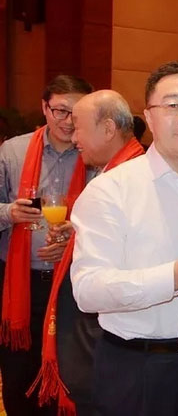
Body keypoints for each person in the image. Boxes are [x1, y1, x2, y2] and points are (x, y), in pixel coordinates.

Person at [70, 61, 178, 415]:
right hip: (133, 368)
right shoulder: (110, 191)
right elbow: (87, 291)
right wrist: (173, 277)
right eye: (173, 105)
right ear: (149, 117)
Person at [27, 90, 145, 415]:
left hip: (103, 339)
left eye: (78, 127)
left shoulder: (129, 180)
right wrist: (79, 237)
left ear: (108, 129)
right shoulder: (117, 171)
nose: (74, 137)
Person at [0, 74, 92, 416]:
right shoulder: (13, 151)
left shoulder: (94, 153)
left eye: (76, 114)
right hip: (17, 281)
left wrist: (74, 240)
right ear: (44, 107)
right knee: (18, 373)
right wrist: (9, 212)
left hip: (71, 282)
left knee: (67, 370)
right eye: (60, 111)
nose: (68, 121)